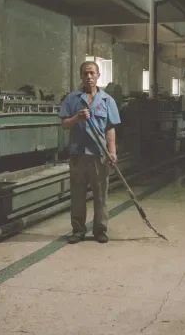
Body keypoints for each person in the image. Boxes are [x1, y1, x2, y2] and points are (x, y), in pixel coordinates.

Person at [58, 61, 121, 244]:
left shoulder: (108, 101)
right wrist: (77, 117)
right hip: (78, 155)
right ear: (81, 76)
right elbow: (64, 124)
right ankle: (78, 230)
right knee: (77, 196)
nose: (89, 77)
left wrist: (112, 151)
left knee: (101, 195)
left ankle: (100, 230)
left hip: (99, 155)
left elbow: (110, 128)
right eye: (85, 74)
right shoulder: (72, 99)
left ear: (98, 75)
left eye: (92, 73)